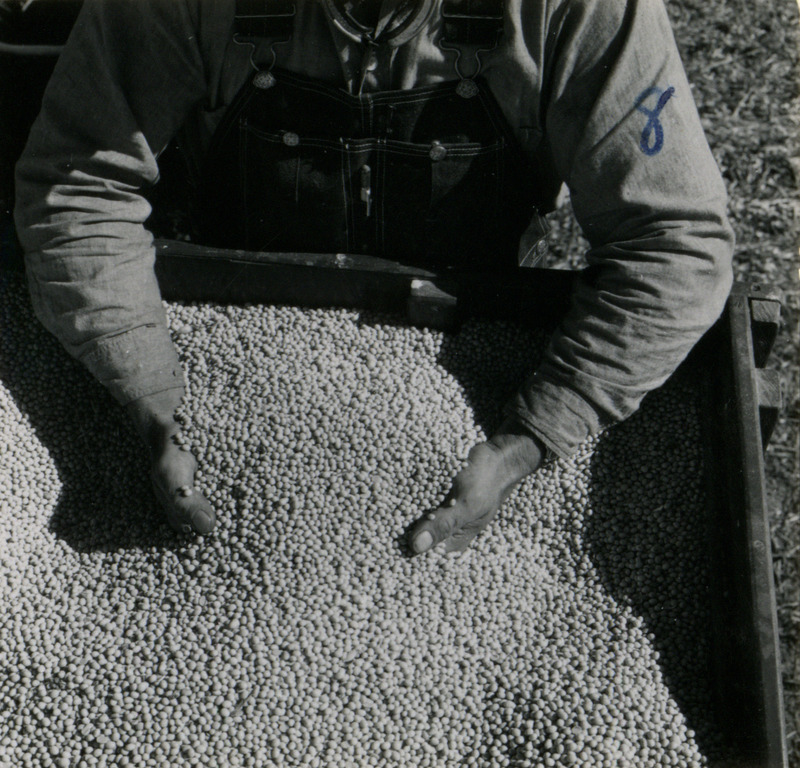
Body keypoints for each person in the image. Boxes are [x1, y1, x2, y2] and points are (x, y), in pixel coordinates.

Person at [13, 0, 734, 553]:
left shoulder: (575, 10)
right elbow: (79, 189)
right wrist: (152, 399)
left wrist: (527, 440)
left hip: (474, 328)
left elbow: (675, 246)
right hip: (233, 319)